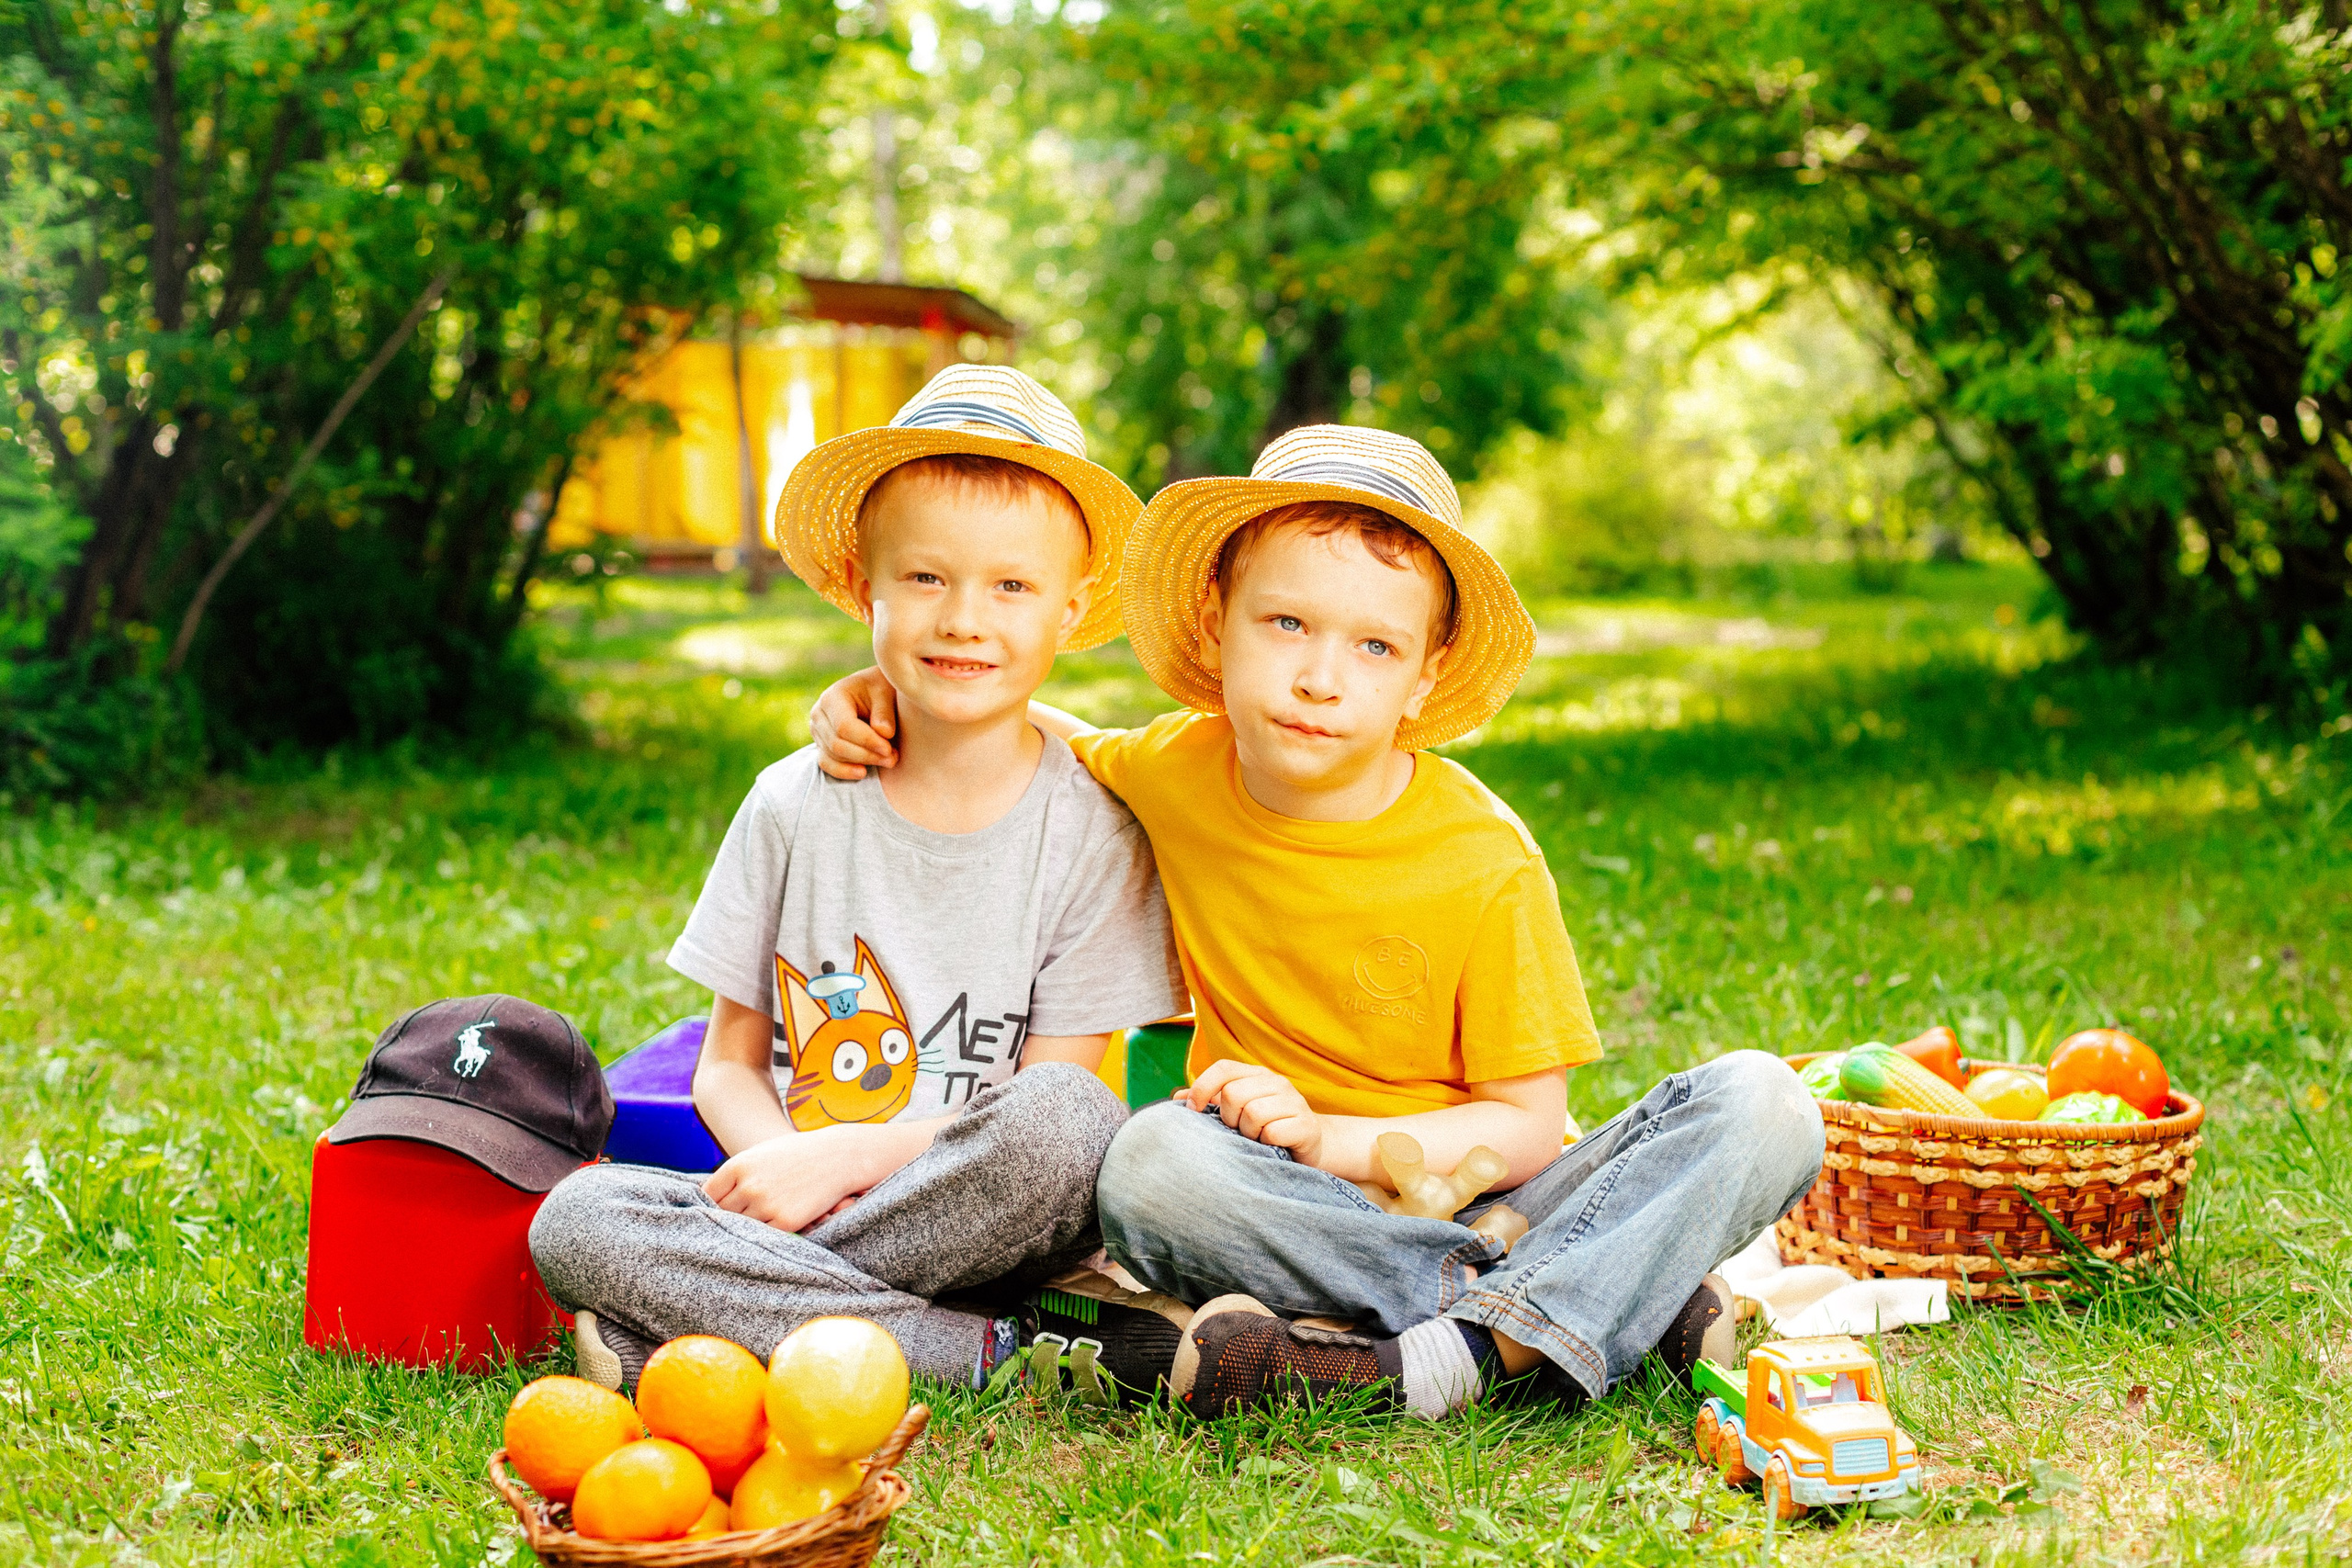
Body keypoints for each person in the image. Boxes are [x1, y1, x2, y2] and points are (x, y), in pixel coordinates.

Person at [811, 423, 1826, 1419]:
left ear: (1426, 674)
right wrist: (889, 693)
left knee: (1767, 1103)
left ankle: (1441, 1355)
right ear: (1215, 624)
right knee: (1148, 1165)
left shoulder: (1483, 857)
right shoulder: (1175, 769)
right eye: (1286, 623)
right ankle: (1583, 1307)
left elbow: (1522, 1127)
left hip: (1491, 1200)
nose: (1320, 679)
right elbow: (1025, 731)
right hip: (1278, 1199)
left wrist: (1329, 1137)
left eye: (1375, 646)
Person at [530, 365, 1189, 1399]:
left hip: (993, 1215)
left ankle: (716, 1314)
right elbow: (727, 1065)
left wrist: (839, 1167)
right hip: (796, 1201)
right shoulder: (791, 804)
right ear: (860, 583)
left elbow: (1056, 1100)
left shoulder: (1093, 829)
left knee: (1072, 1119)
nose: (963, 619)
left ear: (1069, 610)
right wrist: (786, 1170)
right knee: (574, 1219)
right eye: (925, 577)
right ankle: (991, 1354)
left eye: (1011, 587)